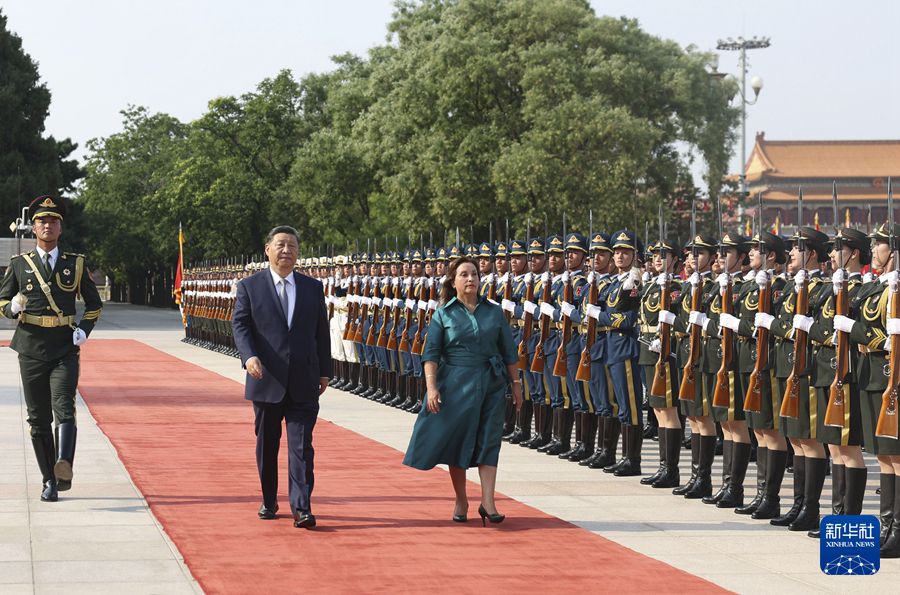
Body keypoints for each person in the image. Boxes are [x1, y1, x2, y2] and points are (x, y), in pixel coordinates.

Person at [403, 256, 523, 525]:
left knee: (490, 439)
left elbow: (509, 352)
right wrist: (431, 388)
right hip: (456, 385)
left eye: (474, 274)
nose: (470, 279)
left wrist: (516, 384)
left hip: (491, 384)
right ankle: (461, 498)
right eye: (464, 275)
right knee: (458, 442)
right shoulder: (444, 314)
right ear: (453, 281)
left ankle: (488, 502)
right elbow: (431, 354)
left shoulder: (493, 312)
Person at [0, 195, 102, 502]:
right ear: (33, 228)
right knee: (38, 418)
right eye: (42, 221)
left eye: (53, 221)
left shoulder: (76, 264)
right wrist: (12, 308)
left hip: (63, 347)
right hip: (30, 347)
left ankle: (64, 465)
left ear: (60, 227)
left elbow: (94, 304)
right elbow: (2, 301)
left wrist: (84, 329)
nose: (48, 226)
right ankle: (49, 479)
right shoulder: (19, 265)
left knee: (64, 406)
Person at [232, 225, 332, 529]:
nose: (286, 250)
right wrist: (249, 357)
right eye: (280, 245)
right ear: (268, 249)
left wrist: (325, 371)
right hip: (266, 378)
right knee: (267, 444)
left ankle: (302, 507)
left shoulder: (312, 288)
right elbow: (240, 326)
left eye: (292, 245)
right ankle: (269, 498)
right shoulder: (250, 286)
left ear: (298, 252)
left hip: (304, 379)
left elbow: (320, 333)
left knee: (301, 446)